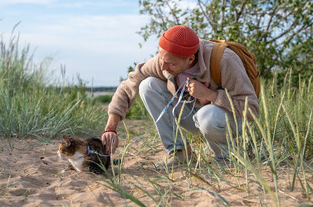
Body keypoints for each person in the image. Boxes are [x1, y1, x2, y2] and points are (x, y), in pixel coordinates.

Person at [101, 25, 259, 168]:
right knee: (147, 85)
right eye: (161, 59)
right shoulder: (165, 60)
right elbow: (129, 84)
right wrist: (111, 128)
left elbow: (251, 110)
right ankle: (180, 154)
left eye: (170, 63)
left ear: (190, 59)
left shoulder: (225, 60)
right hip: (193, 117)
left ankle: (226, 158)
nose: (163, 67)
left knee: (207, 115)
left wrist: (210, 95)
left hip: (229, 120)